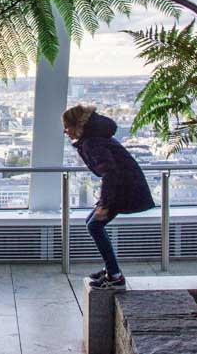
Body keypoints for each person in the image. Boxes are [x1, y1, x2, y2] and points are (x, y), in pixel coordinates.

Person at [63, 104, 155, 290]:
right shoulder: (95, 137)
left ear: (77, 125)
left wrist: (104, 203)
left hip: (124, 188)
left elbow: (110, 172)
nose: (65, 131)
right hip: (125, 185)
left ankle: (114, 275)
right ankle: (111, 269)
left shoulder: (91, 142)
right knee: (93, 224)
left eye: (67, 126)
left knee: (95, 225)